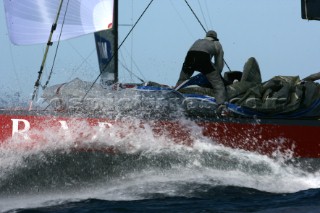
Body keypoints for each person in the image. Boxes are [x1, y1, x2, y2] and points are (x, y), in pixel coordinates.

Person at [176, 30, 227, 104]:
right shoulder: (217, 44)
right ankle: (221, 105)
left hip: (190, 58)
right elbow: (219, 64)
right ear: (215, 38)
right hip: (203, 58)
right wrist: (216, 75)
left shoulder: (198, 41)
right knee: (219, 85)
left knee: (182, 80)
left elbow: (190, 53)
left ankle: (175, 95)